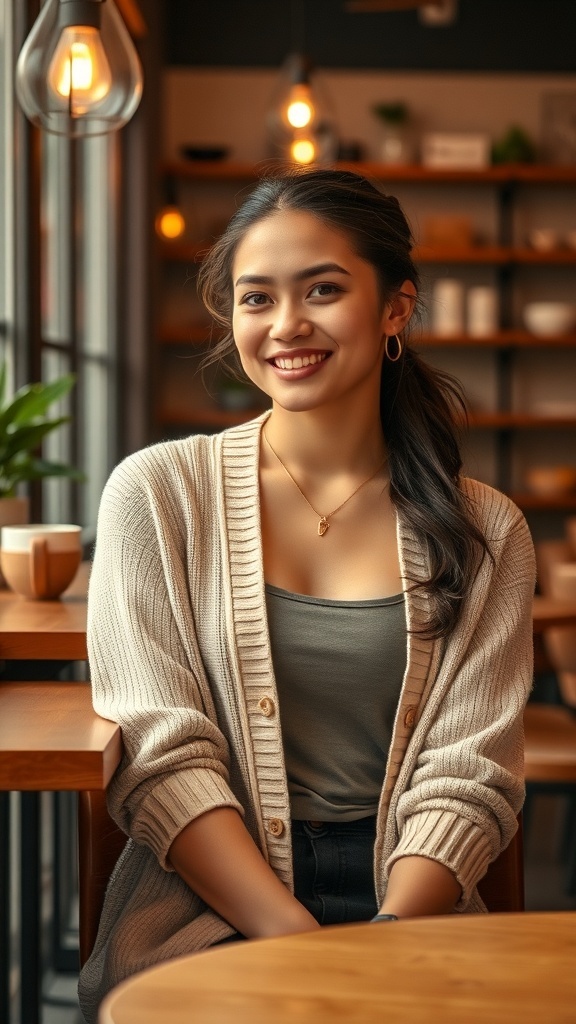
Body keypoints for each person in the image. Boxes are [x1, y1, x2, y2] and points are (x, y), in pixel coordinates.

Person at [79, 168, 535, 1021]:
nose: (287, 325)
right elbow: (164, 753)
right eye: (256, 299)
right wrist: (298, 943)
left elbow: (469, 774)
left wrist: (383, 940)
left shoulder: (488, 528)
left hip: (414, 906)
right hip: (205, 906)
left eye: (323, 290)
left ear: (396, 308)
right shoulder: (156, 495)